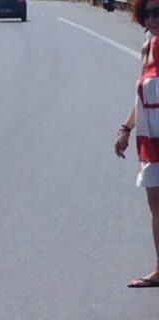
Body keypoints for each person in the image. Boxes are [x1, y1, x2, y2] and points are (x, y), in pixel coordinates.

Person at [115, 0, 159, 288]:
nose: (153, 18)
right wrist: (125, 129)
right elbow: (140, 97)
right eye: (148, 13)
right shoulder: (147, 48)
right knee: (155, 205)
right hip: (150, 138)